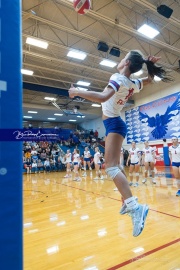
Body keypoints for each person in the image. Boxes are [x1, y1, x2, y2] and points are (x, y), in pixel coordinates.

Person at [69, 50, 172, 237]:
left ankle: (135, 207)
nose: (120, 60)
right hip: (114, 124)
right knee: (115, 166)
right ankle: (126, 201)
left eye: (123, 57)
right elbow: (149, 81)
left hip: (114, 123)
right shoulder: (132, 83)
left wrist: (77, 92)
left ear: (126, 63)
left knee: (111, 167)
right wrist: (149, 65)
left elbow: (102, 97)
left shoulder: (119, 78)